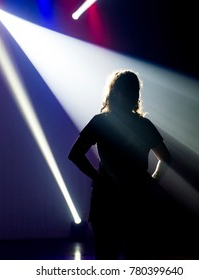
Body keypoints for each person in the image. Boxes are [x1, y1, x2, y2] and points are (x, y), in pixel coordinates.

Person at [68, 69, 171, 259]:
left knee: (107, 256)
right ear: (136, 95)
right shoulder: (144, 124)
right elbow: (166, 157)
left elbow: (75, 155)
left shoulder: (100, 122)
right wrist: (154, 179)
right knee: (136, 255)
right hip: (136, 197)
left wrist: (99, 178)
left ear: (113, 92)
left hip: (107, 198)